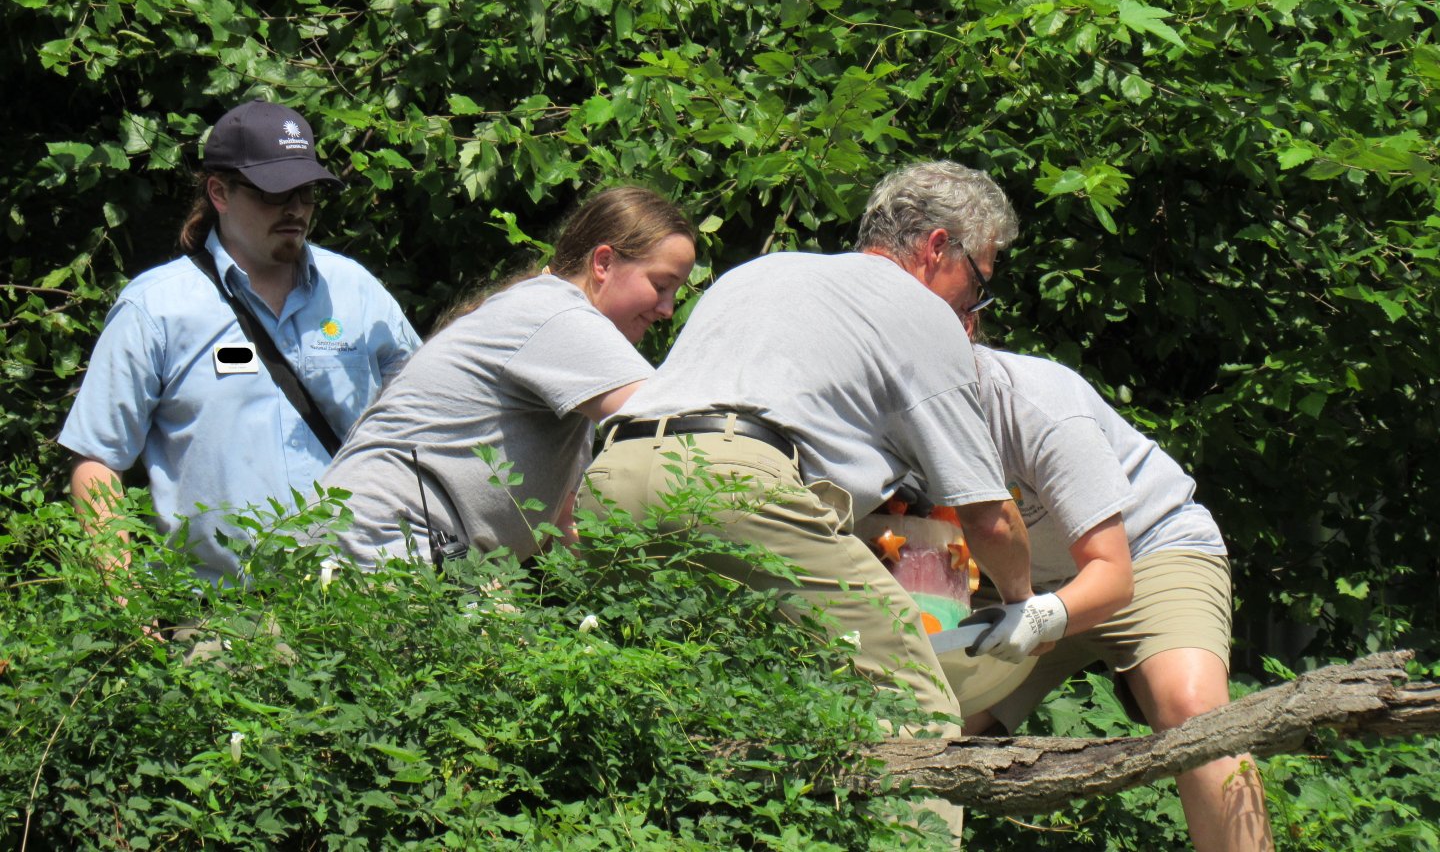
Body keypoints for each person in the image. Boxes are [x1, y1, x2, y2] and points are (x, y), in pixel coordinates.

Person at [579, 161, 1039, 723]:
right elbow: (987, 516)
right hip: (733, 488)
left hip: (611, 479)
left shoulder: (759, 272)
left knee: (694, 708)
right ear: (938, 247)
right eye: (979, 281)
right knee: (915, 703)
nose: (973, 308)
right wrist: (1023, 606)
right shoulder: (921, 311)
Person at [58, 99, 422, 584]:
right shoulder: (158, 309)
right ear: (219, 193)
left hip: (366, 608)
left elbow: (429, 421)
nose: (295, 209)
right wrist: (123, 600)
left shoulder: (356, 290)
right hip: (223, 619)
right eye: (275, 193)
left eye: (307, 192)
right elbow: (97, 458)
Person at [937, 340, 1273, 850]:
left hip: (1148, 550)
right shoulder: (891, 406)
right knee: (928, 717)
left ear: (966, 323)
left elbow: (1112, 575)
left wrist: (1036, 614)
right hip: (1023, 586)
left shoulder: (1037, 403)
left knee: (1195, 712)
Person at [323, 186, 695, 567]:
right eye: (660, 286)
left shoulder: (564, 346)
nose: (667, 309)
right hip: (384, 534)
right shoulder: (558, 318)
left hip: (394, 539)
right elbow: (674, 424)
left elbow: (565, 522)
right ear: (603, 263)